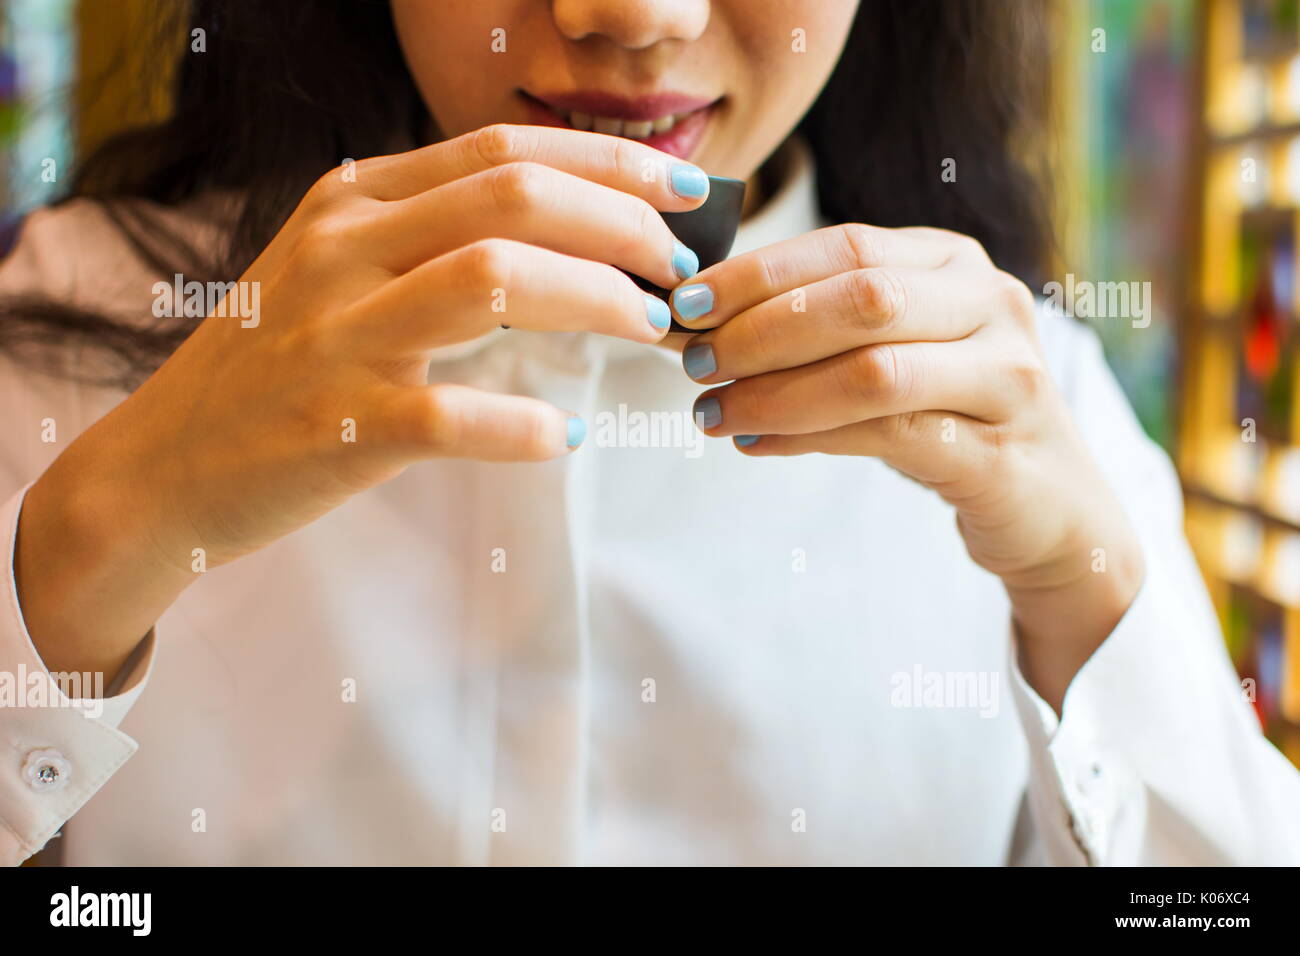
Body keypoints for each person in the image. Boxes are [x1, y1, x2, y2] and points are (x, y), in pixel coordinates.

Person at [1, 0, 1296, 866]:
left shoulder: (1031, 400)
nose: (632, 16)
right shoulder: (69, 317)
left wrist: (1089, 600)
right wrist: (84, 545)